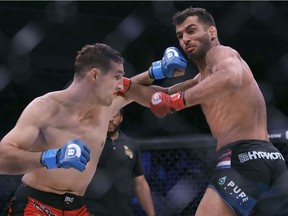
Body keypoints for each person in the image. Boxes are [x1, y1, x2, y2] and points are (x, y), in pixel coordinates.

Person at [0, 42, 186, 215]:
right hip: (37, 204)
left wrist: (156, 71)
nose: (121, 83)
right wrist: (52, 157)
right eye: (116, 77)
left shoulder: (105, 108)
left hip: (77, 208)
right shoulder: (45, 107)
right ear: (95, 75)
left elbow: (140, 92)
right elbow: (2, 158)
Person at [147, 7, 288, 216]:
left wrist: (179, 100)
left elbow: (232, 76)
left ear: (212, 32)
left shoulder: (220, 53)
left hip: (242, 157)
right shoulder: (202, 79)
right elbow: (159, 97)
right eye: (180, 35)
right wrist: (137, 79)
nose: (185, 39)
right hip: (270, 158)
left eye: (191, 30)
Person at [84, 108, 155, 216]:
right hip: (93, 211)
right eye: (108, 115)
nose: (111, 119)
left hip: (123, 211)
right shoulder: (88, 142)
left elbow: (140, 183)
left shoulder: (131, 144)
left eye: (115, 115)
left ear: (121, 118)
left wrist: (151, 214)